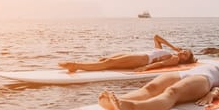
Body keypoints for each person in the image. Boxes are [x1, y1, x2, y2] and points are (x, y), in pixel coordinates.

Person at [99, 64, 219, 110]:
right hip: (184, 73)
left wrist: (213, 93)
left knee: (172, 92)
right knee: (150, 88)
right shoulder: (215, 64)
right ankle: (116, 102)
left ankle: (133, 107)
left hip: (203, 79)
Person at [59, 34, 196, 73]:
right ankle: (79, 66)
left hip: (143, 59)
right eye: (184, 50)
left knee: (108, 63)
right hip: (139, 54)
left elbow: (160, 64)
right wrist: (173, 46)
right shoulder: (171, 51)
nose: (182, 52)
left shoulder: (173, 59)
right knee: (106, 59)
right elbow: (156, 37)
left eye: (185, 54)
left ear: (184, 59)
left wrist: (145, 68)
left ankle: (75, 65)